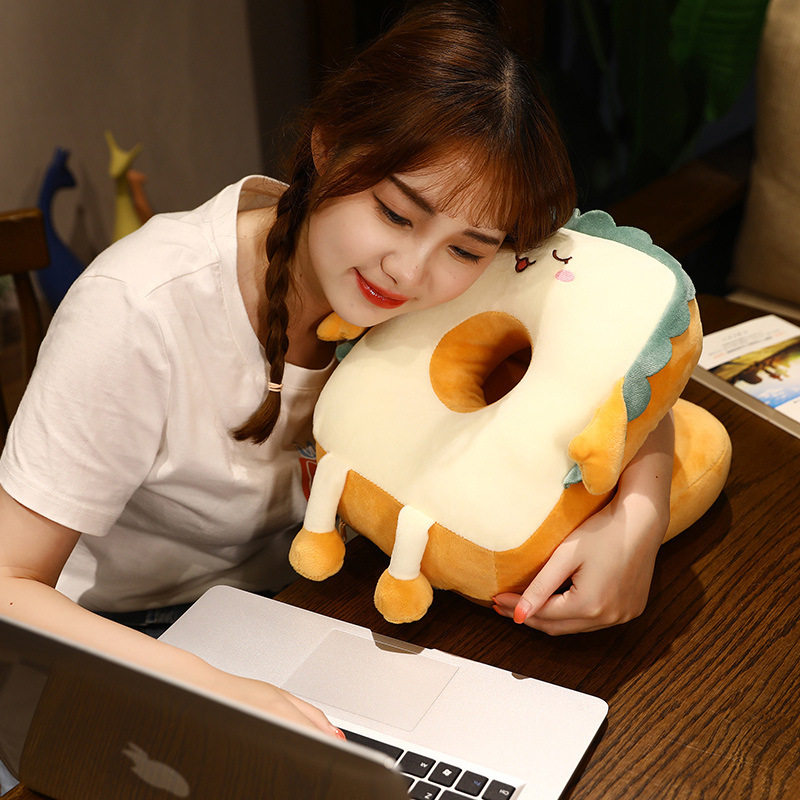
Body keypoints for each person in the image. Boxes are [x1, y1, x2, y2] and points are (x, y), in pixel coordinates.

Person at [0, 0, 671, 762]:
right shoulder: (138, 309)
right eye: (394, 213)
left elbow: (623, 348)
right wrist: (213, 690)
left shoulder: (463, 280)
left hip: (306, 613)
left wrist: (637, 523)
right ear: (326, 143)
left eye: (466, 248)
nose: (410, 272)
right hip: (119, 646)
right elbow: (9, 586)